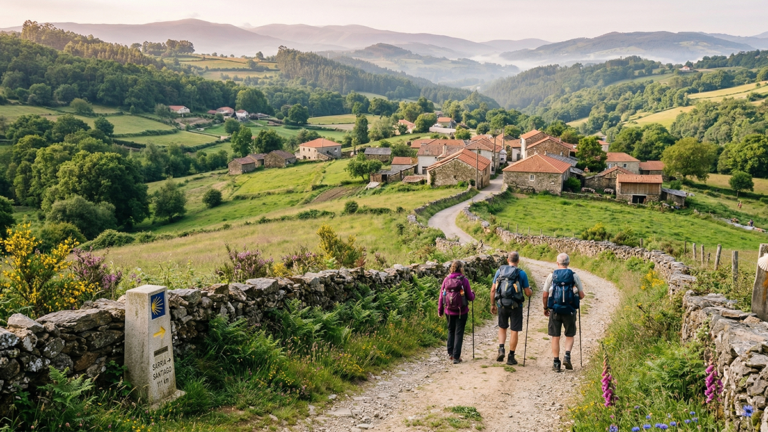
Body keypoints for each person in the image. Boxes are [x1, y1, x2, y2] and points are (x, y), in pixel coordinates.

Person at [542, 253, 585, 372]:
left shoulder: (552, 275)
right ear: (568, 263)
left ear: (557, 263)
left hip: (555, 309)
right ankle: (567, 356)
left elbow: (545, 295)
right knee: (569, 334)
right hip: (570, 310)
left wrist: (545, 308)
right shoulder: (574, 276)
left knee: (555, 336)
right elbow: (581, 295)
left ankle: (556, 363)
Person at [490, 251, 532, 365]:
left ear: (508, 260)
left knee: (502, 327)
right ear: (518, 261)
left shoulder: (500, 271)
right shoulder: (521, 273)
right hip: (516, 306)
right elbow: (527, 292)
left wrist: (493, 304)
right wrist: (531, 291)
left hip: (502, 304)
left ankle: (501, 348)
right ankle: (511, 357)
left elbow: (493, 290)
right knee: (514, 330)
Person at [438, 261, 475, 364]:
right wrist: (473, 294)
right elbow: (470, 297)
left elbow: (441, 296)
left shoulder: (446, 279)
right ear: (461, 268)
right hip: (461, 311)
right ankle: (456, 357)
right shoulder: (464, 280)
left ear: (452, 268)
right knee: (459, 332)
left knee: (451, 330)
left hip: (448, 311)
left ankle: (450, 353)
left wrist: (440, 310)